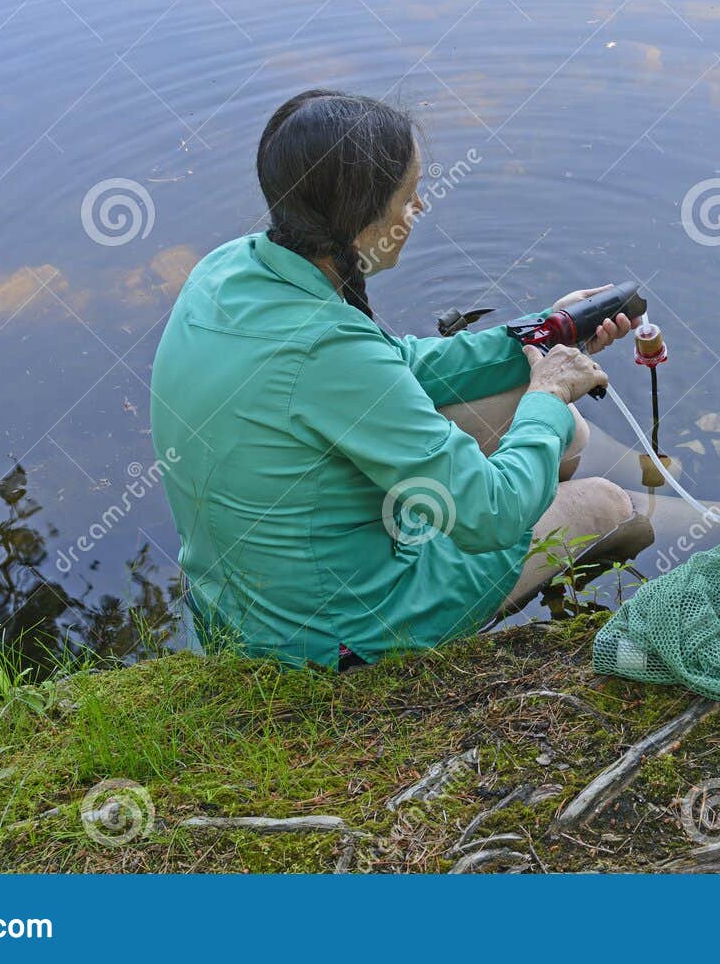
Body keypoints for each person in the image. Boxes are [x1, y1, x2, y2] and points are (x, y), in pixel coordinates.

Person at [150, 90, 655, 671]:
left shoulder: (233, 266)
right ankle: (570, 596)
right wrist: (545, 393)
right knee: (611, 507)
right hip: (331, 634)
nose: (418, 206)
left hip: (242, 600)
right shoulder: (327, 353)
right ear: (361, 221)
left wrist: (542, 334)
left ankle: (566, 508)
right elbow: (488, 515)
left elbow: (395, 362)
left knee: (567, 432)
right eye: (407, 194)